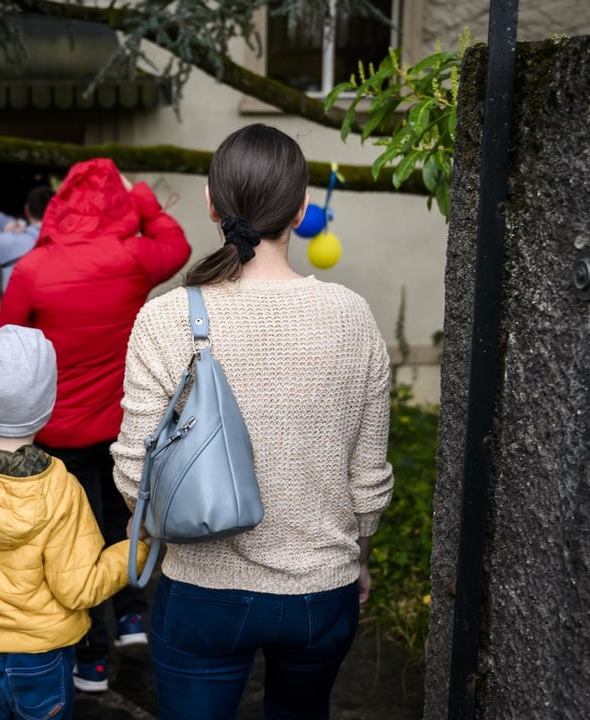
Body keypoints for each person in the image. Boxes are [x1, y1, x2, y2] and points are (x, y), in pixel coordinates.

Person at [111, 123, 395, 720]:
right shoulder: (353, 318)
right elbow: (368, 479)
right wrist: (358, 558)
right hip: (323, 591)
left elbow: (137, 482)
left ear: (212, 205)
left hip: (201, 595)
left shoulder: (164, 320)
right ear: (301, 210)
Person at [0, 157, 191, 692]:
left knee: (69, 540)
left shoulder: (35, 267)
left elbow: (6, 343)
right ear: (117, 204)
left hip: (58, 432)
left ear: (59, 206)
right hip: (124, 427)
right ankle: (131, 617)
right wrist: (142, 194)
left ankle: (91, 659)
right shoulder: (134, 256)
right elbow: (179, 245)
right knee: (122, 520)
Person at [0, 325, 149, 720]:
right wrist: (135, 548)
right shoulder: (61, 489)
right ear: (47, 404)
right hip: (41, 658)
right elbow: (79, 588)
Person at [0, 185, 55, 295]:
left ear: (27, 210)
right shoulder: (71, 240)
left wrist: (6, 226)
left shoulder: (11, 241)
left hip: (19, 309)